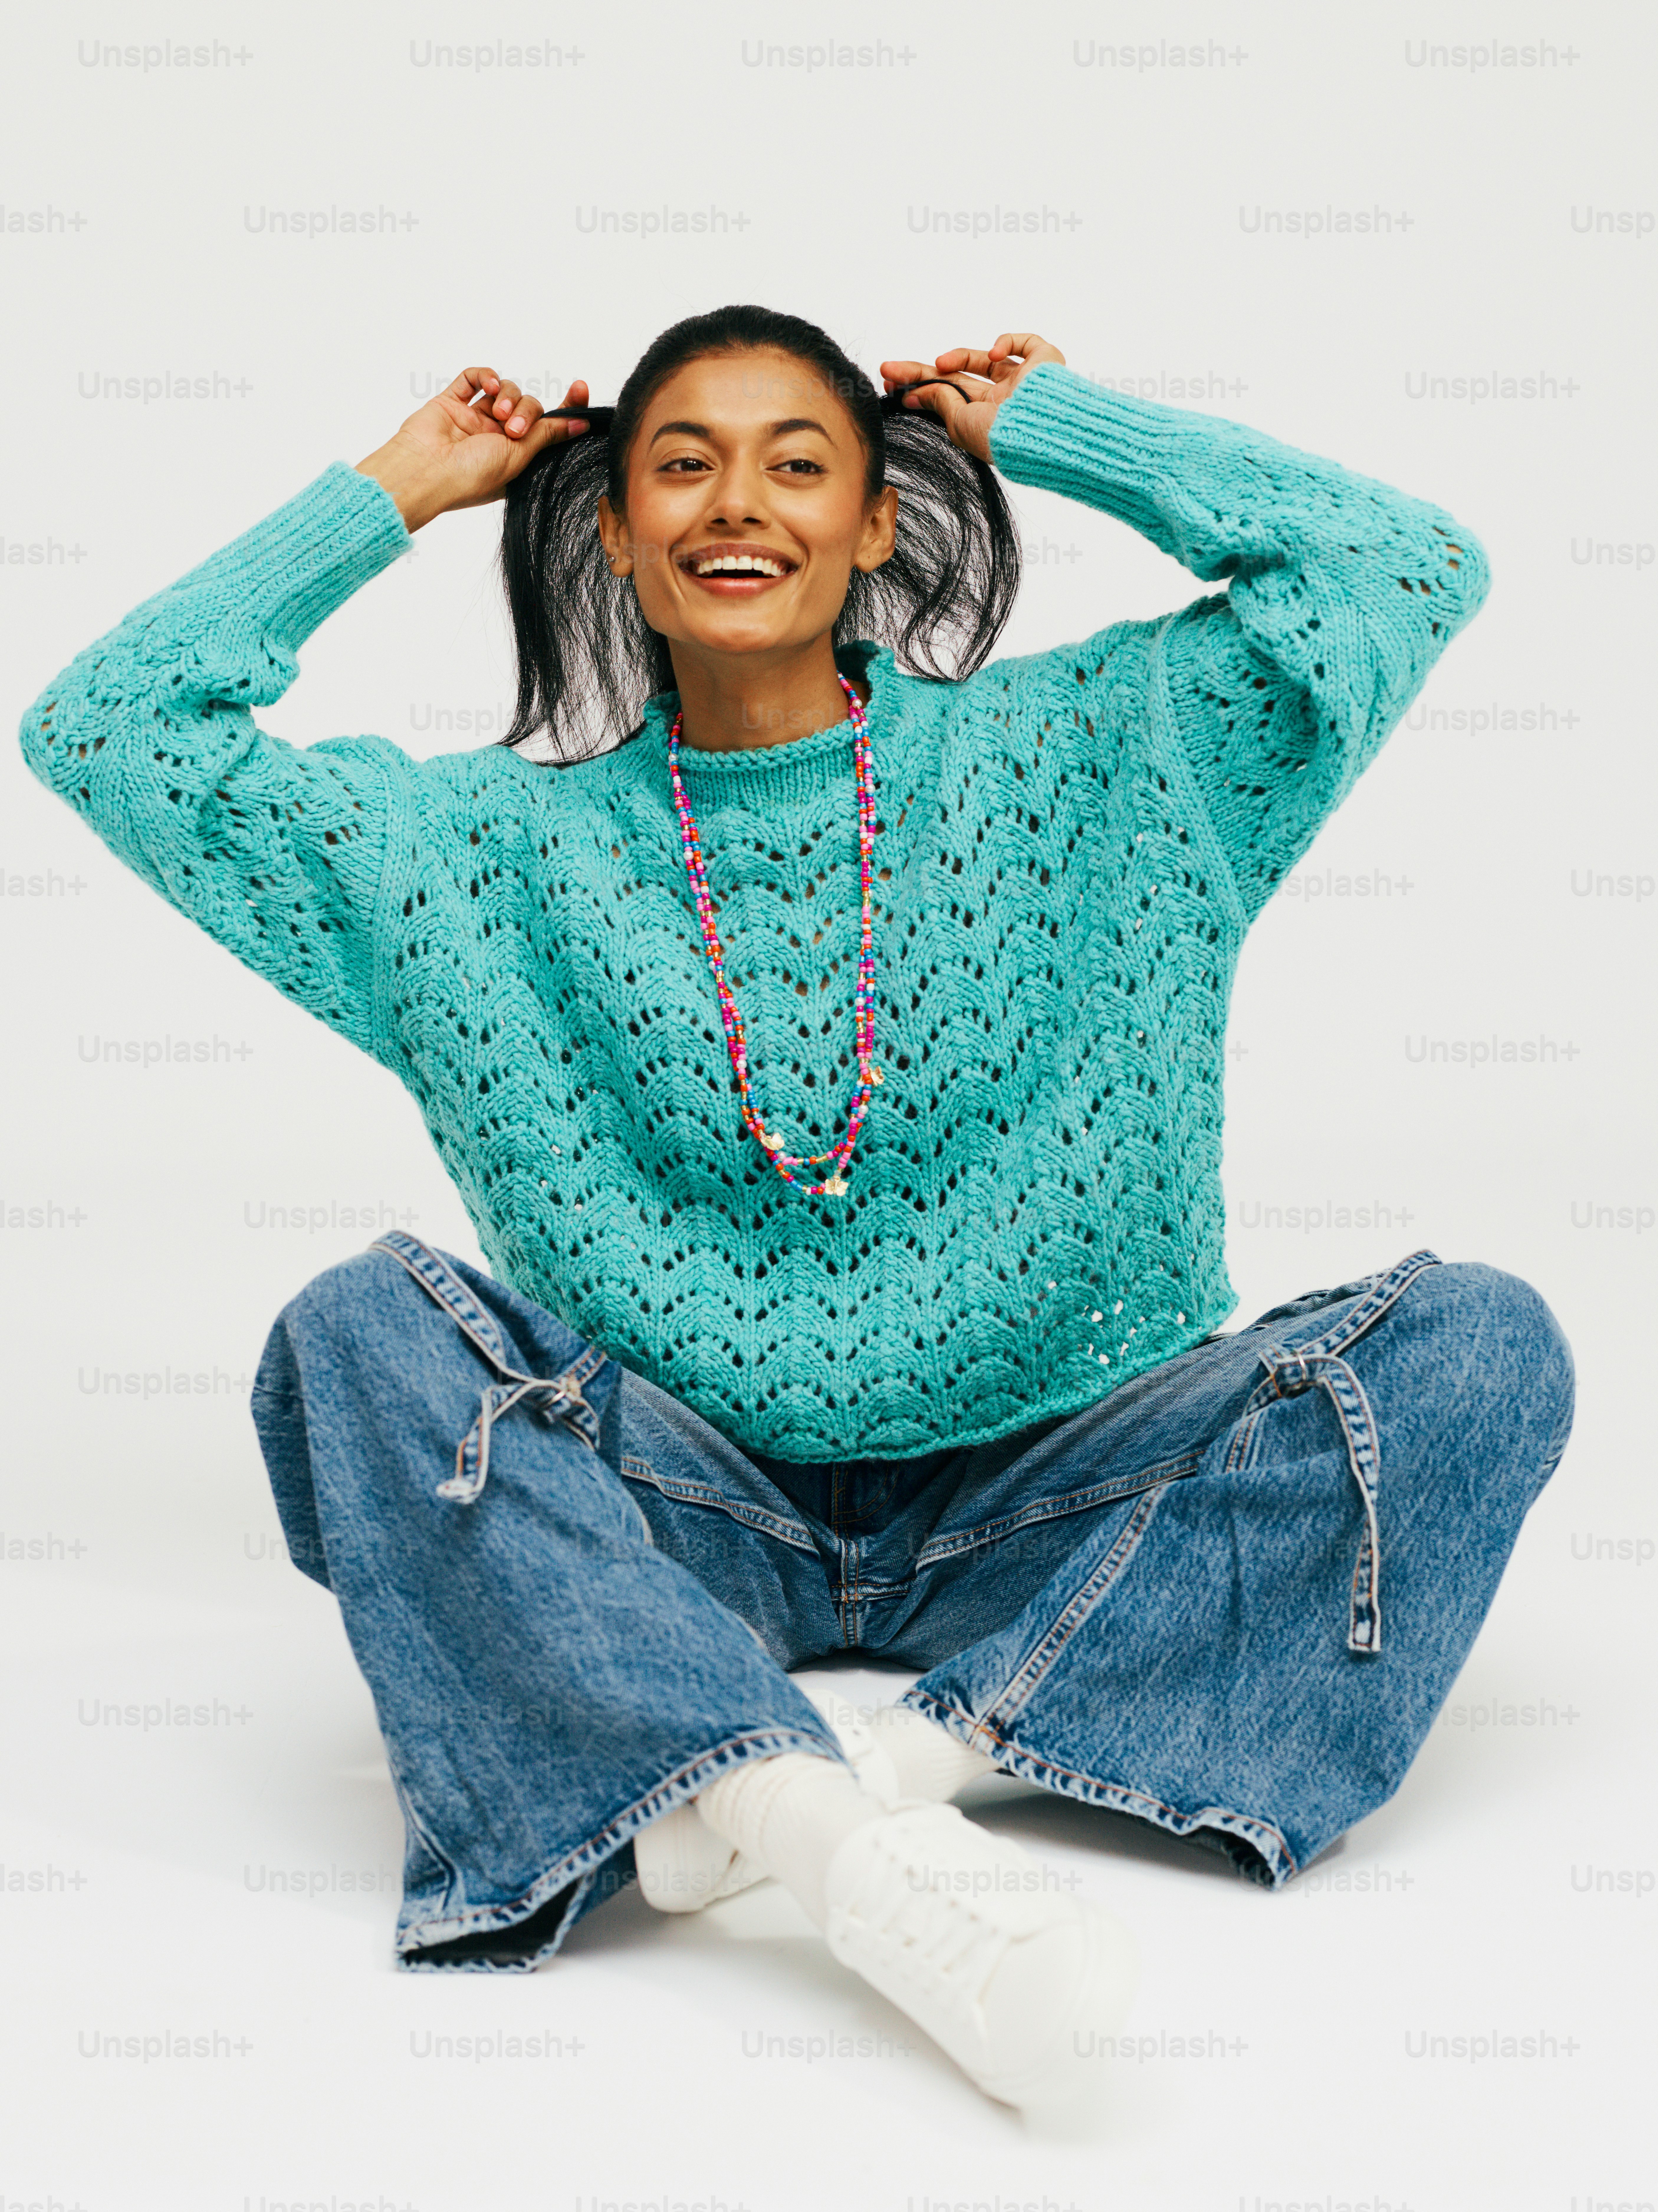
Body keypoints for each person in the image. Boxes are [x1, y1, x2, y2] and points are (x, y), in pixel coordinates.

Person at [19, 305, 1575, 2116]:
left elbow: (1406, 567)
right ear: (610, 527)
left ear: (875, 526)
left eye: (796, 462)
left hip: (1058, 1494)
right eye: (678, 462)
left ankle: (895, 1767)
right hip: (678, 1514)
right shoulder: (464, 856)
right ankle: (818, 1834)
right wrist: (397, 489)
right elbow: (107, 730)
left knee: (1481, 1343)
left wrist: (1067, 428)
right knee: (355, 1330)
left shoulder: (1117, 751)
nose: (731, 502)